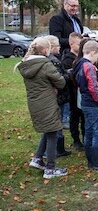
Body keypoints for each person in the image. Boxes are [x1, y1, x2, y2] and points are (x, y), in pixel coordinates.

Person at [16, 37, 68, 179]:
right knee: (53, 133)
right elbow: (61, 82)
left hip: (35, 103)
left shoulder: (27, 64)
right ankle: (50, 169)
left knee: (48, 129)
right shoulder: (46, 64)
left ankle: (38, 158)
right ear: (46, 50)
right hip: (47, 102)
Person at [73, 40, 98, 171]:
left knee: (89, 131)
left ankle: (90, 160)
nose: (97, 59)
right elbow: (93, 86)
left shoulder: (78, 63)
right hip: (92, 103)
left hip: (85, 102)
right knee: (97, 132)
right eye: (97, 56)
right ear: (92, 52)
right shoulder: (89, 66)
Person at [43, 35, 71, 157]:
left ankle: (57, 149)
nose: (60, 47)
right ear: (52, 47)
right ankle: (57, 149)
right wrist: (69, 74)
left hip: (52, 97)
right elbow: (58, 80)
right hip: (57, 96)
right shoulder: (53, 61)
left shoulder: (50, 59)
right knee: (56, 123)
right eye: (58, 45)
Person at [61, 32, 85, 150]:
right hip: (72, 93)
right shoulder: (66, 59)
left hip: (83, 92)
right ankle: (76, 140)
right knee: (75, 117)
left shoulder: (82, 57)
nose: (81, 46)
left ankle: (86, 137)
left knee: (84, 116)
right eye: (79, 44)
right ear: (72, 44)